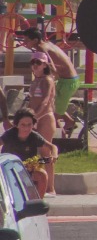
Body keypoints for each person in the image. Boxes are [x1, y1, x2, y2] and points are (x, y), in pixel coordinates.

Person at [19, 27, 79, 138]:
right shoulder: (47, 44)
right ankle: (67, 123)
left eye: (27, 40)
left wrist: (44, 80)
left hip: (67, 82)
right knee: (51, 104)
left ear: (35, 40)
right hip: (67, 79)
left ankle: (57, 135)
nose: (24, 43)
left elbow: (52, 69)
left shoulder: (41, 48)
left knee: (51, 113)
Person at [2, 107, 56, 197]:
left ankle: (38, 203)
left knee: (42, 174)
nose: (26, 128)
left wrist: (54, 155)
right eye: (23, 125)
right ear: (16, 125)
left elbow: (52, 147)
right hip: (9, 168)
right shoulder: (9, 135)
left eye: (29, 125)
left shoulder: (34, 136)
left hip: (28, 167)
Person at [26, 53, 57, 187]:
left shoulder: (47, 80)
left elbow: (45, 102)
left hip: (45, 118)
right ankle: (39, 183)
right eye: (33, 62)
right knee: (33, 152)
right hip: (34, 117)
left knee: (46, 152)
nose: (35, 65)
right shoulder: (35, 80)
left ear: (45, 64)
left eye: (38, 62)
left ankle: (51, 187)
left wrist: (35, 118)